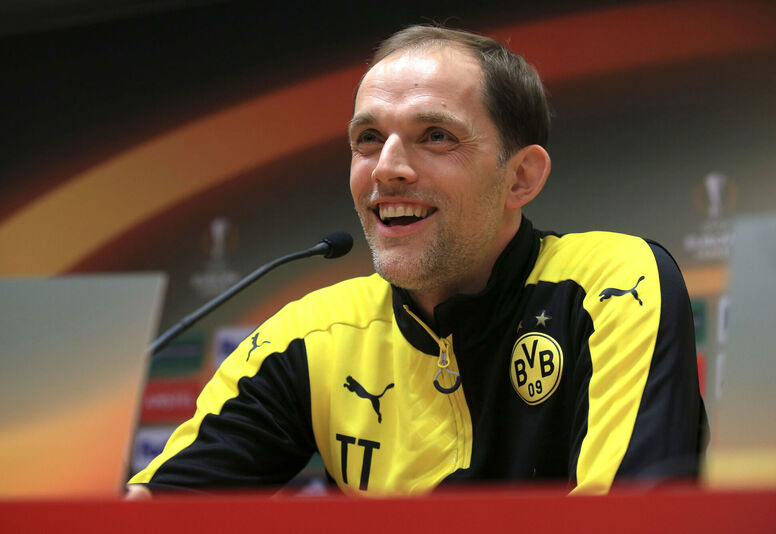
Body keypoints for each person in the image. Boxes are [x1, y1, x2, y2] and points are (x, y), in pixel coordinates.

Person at [127, 25, 707, 498]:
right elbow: (155, 511)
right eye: (368, 138)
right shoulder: (311, 333)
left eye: (434, 135)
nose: (387, 168)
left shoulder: (611, 282)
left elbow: (635, 518)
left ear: (521, 177)